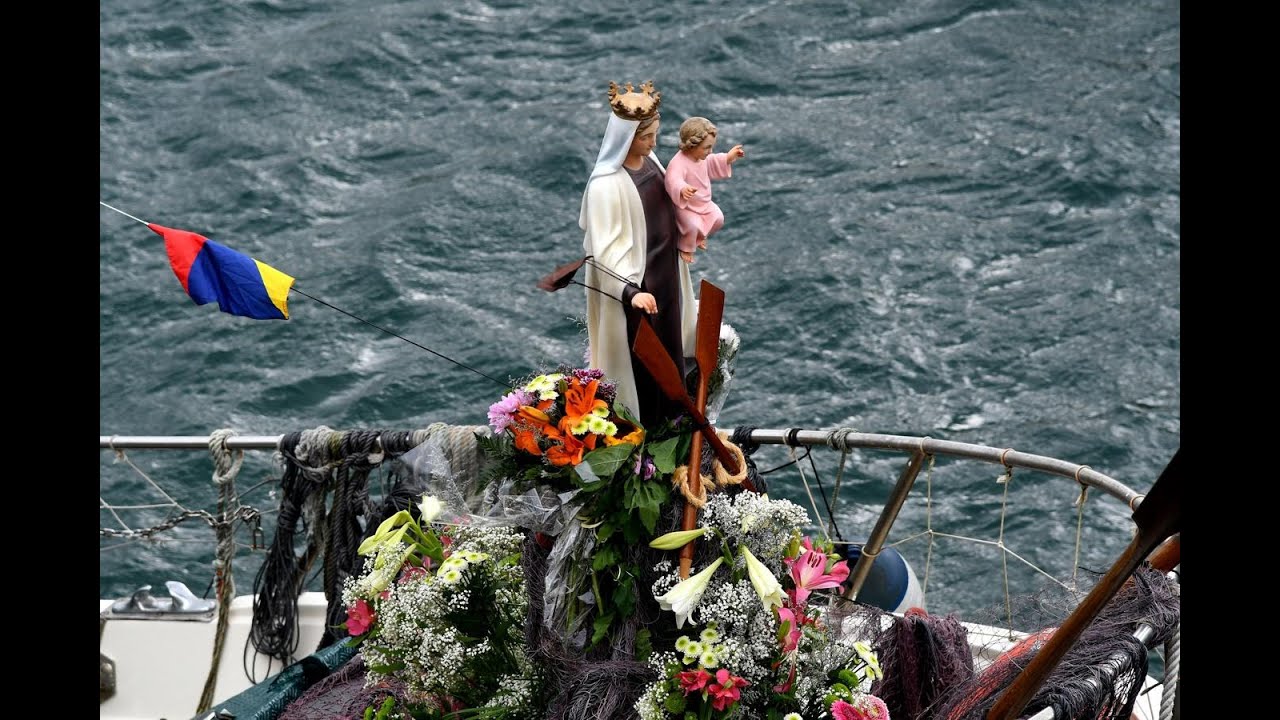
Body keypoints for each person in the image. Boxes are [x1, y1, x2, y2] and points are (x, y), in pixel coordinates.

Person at [580, 81, 697, 427]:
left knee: (670, 350)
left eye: (654, 135)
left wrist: (692, 231)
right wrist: (630, 292)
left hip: (665, 275)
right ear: (627, 136)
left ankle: (676, 416)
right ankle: (648, 429)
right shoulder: (606, 186)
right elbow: (605, 250)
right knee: (642, 362)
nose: (653, 143)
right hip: (637, 287)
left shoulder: (652, 163)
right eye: (647, 137)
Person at [663, 116, 745, 264]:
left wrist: (728, 158)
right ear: (692, 145)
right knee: (692, 225)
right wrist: (682, 188)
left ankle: (698, 238)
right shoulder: (678, 163)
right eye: (707, 147)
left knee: (718, 219)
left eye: (711, 147)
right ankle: (686, 247)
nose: (710, 151)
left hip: (703, 203)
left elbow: (712, 161)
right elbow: (672, 179)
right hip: (686, 206)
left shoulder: (701, 157)